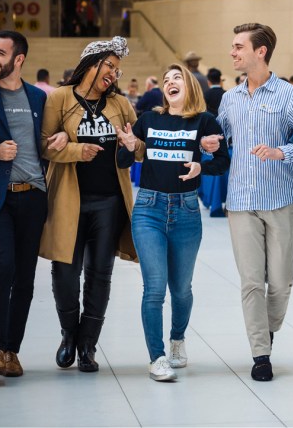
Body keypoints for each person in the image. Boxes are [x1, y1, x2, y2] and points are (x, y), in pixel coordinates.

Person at [201, 23, 293, 382]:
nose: (232, 52)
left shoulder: (288, 95)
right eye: (233, 46)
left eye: (239, 46)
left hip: (280, 200)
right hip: (240, 201)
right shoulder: (230, 98)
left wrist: (281, 151)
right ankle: (260, 353)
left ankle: (266, 330)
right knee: (251, 281)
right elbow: (219, 138)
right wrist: (210, 143)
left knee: (281, 281)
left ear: (261, 51)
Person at [117, 64, 230, 382]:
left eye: (176, 78)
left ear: (190, 86)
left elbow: (223, 161)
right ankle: (157, 357)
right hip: (149, 210)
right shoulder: (149, 120)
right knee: (154, 289)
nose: (169, 83)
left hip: (186, 212)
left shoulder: (204, 121)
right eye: (166, 80)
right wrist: (127, 146)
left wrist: (201, 167)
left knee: (181, 289)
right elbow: (125, 161)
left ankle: (177, 340)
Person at [39, 36, 139, 373]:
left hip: (109, 203)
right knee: (65, 271)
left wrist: (134, 143)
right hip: (68, 200)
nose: (113, 73)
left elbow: (138, 148)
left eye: (117, 69)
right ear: (90, 63)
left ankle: (87, 346)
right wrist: (74, 151)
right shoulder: (59, 99)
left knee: (100, 274)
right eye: (109, 65)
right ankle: (69, 335)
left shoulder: (121, 104)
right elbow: (43, 145)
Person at [0, 31, 64, 377]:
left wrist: (62, 136)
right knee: (3, 265)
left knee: (26, 277)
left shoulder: (37, 97)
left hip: (33, 195)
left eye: (0, 53)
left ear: (19, 59)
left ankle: (12, 351)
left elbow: (51, 136)